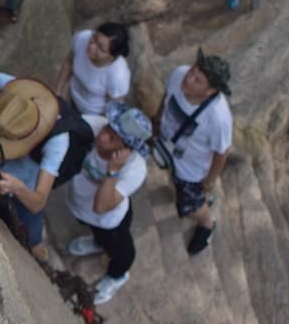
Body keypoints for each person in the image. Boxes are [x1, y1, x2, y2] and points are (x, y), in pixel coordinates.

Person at [0, 75, 70, 262]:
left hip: (20, 193)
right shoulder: (20, 94)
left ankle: (40, 257)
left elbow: (38, 202)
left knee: (33, 240)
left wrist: (18, 188)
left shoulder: (58, 141)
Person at [65, 102, 151, 305]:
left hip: (109, 220)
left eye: (112, 138)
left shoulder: (135, 168)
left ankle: (117, 276)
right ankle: (97, 243)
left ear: (126, 149)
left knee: (121, 251)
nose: (102, 136)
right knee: (97, 234)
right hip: (80, 206)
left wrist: (112, 171)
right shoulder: (93, 125)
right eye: (107, 129)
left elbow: (101, 207)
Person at [155, 48, 233, 255]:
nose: (188, 78)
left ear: (210, 91)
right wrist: (156, 119)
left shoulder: (218, 118)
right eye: (192, 71)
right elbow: (166, 96)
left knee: (190, 205)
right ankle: (199, 202)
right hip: (168, 148)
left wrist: (209, 180)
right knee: (176, 183)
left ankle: (207, 223)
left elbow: (221, 153)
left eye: (197, 80)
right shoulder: (179, 74)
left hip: (191, 171)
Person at [53, 23, 131, 116]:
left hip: (92, 114)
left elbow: (114, 108)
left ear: (111, 57)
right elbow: (68, 63)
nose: (91, 46)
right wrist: (57, 93)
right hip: (71, 97)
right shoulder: (82, 38)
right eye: (94, 38)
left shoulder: (118, 76)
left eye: (100, 48)